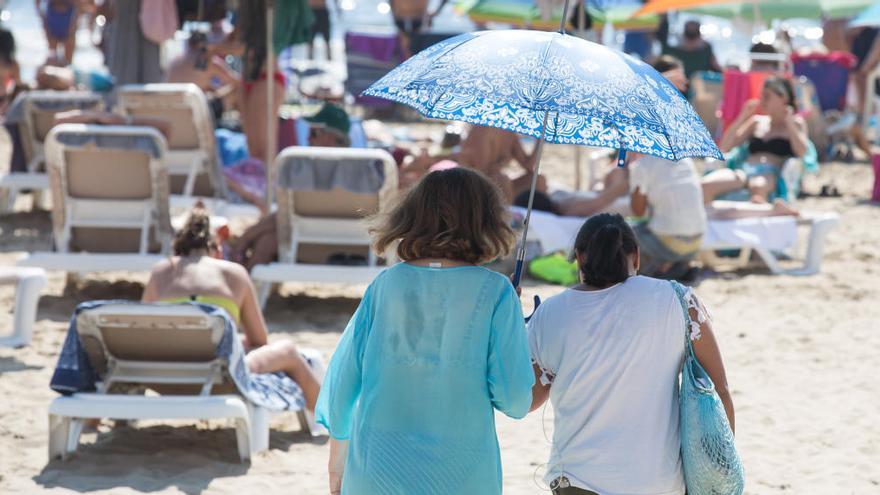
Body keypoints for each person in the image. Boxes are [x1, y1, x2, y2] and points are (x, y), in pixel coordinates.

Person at [316, 167, 534, 495]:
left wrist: (336, 465)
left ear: (414, 215)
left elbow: (343, 386)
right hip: (461, 474)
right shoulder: (497, 294)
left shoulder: (384, 285)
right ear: (485, 222)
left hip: (377, 469)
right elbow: (515, 402)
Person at [527, 213, 734, 495]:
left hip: (578, 479)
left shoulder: (551, 313)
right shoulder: (678, 299)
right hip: (658, 484)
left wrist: (512, 330)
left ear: (579, 257)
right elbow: (719, 390)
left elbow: (528, 400)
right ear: (635, 256)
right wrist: (718, 469)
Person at [141, 206, 321, 411]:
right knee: (287, 350)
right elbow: (259, 340)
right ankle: (334, 425)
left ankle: (97, 421)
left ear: (178, 248)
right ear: (217, 249)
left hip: (164, 377)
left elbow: (145, 331)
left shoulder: (161, 271)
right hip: (222, 377)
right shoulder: (233, 273)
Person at [228, 103, 352, 269]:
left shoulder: (313, 168)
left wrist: (248, 235)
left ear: (331, 137)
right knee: (268, 239)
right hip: (345, 240)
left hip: (316, 241)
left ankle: (242, 246)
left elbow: (295, 213)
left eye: (314, 132)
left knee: (278, 225)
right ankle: (247, 274)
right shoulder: (358, 169)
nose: (308, 138)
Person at [703, 76, 809, 204]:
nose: (762, 100)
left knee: (757, 187)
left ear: (783, 98)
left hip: (770, 173)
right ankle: (707, 221)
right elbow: (725, 146)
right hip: (744, 170)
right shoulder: (756, 122)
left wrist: (789, 123)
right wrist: (742, 117)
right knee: (706, 185)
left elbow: (802, 152)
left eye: (767, 96)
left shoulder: (796, 123)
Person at [166, 31, 240, 120]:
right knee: (234, 92)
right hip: (193, 117)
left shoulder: (175, 61)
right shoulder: (206, 61)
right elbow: (237, 82)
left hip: (171, 113)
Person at [457, 125, 540, 203]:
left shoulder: (510, 134)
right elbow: (481, 171)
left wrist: (540, 141)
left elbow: (528, 166)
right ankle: (507, 215)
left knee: (538, 180)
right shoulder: (483, 129)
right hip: (473, 184)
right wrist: (502, 162)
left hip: (495, 182)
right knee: (503, 181)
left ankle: (519, 210)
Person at [37, 0, 80, 65]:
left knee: (68, 62)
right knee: (53, 57)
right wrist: (43, 18)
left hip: (68, 16)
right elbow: (37, 3)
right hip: (53, 15)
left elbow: (80, 4)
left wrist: (75, 20)